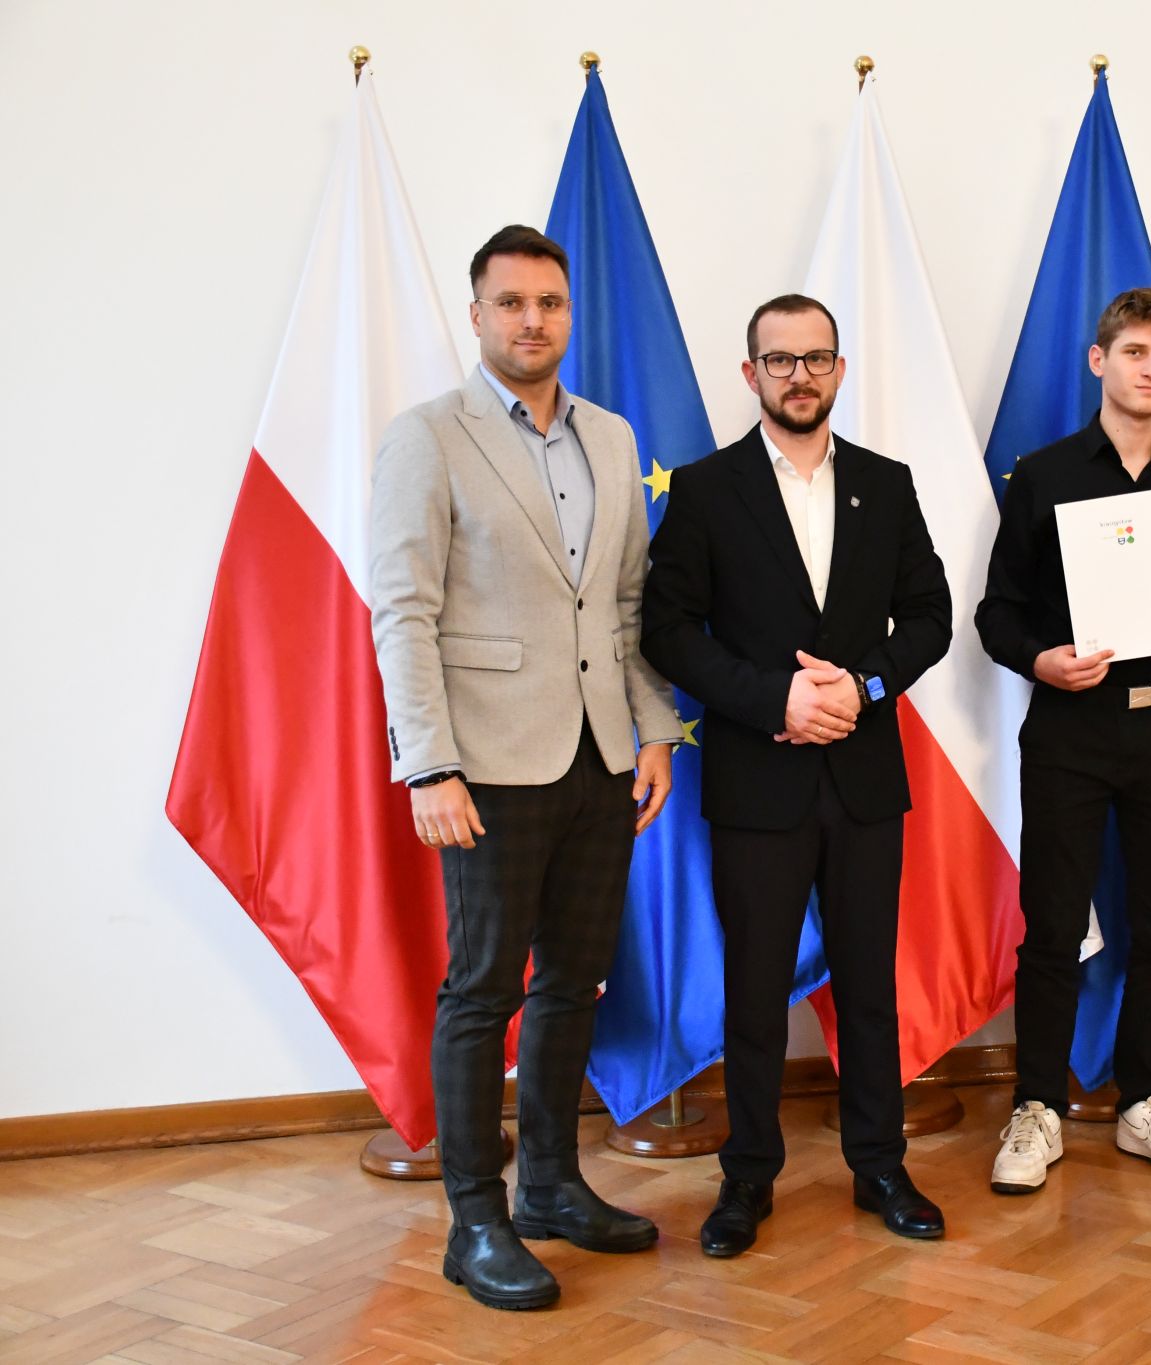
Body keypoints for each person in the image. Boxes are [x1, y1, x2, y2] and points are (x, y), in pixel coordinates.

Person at [369, 225, 683, 1311]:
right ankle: (475, 1221)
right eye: (510, 302)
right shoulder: (427, 437)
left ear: (568, 313)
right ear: (478, 316)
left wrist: (655, 730)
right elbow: (402, 611)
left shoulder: (610, 436)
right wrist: (429, 766)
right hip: (486, 767)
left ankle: (550, 1185)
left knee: (574, 980)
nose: (532, 320)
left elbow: (627, 604)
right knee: (482, 989)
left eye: (548, 301)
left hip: (600, 759)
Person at [640, 293, 953, 1256]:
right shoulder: (704, 489)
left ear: (839, 370)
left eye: (817, 358)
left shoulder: (886, 484)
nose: (800, 375)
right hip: (757, 779)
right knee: (755, 988)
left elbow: (931, 616)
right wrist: (773, 698)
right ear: (751, 374)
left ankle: (880, 1163)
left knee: (868, 985)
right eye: (780, 360)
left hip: (864, 777)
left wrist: (862, 685)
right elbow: (666, 630)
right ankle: (747, 1176)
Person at [975, 288, 1151, 1193]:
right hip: (1070, 731)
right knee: (1052, 928)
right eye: (1135, 351)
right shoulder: (1044, 475)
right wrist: (1040, 660)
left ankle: (1147, 1100)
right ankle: (1036, 1106)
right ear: (1100, 360)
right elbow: (997, 611)